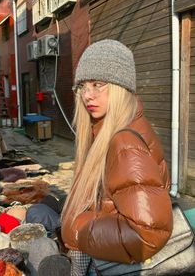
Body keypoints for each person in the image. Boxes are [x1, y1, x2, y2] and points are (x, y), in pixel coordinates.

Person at [61, 39, 173, 275]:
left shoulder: (123, 142)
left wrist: (78, 227)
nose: (87, 96)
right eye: (82, 86)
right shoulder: (106, 129)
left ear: (121, 87)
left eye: (98, 84)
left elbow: (149, 234)